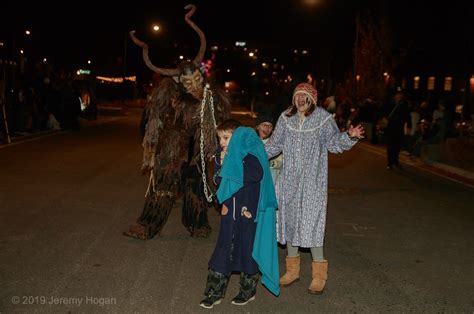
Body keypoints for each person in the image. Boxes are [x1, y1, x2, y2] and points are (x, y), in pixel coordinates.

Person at [123, 4, 231, 240]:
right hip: (172, 149)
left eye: (196, 78)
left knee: (195, 185)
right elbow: (153, 121)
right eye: (187, 80)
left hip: (196, 151)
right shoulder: (168, 95)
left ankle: (197, 223)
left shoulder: (211, 96)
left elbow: (223, 122)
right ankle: (147, 225)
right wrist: (152, 147)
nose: (193, 83)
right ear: (179, 81)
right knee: (163, 185)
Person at [264, 82, 365, 295]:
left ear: (311, 99)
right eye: (297, 96)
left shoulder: (323, 119)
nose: (300, 100)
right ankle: (292, 271)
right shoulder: (285, 118)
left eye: (304, 97)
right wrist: (253, 150)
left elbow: (334, 144)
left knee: (312, 225)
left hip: (313, 184)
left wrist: (350, 136)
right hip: (288, 181)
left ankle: (319, 275)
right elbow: (274, 145)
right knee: (290, 223)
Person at [200, 119, 279, 309]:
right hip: (230, 212)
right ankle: (214, 292)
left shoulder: (250, 155)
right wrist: (223, 202)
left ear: (237, 137)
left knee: (246, 250)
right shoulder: (222, 154)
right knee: (223, 250)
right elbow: (220, 181)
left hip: (247, 212)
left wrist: (233, 162)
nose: (222, 142)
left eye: (226, 138)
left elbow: (255, 176)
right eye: (220, 138)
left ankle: (247, 290)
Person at [380, 89, 411, 170]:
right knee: (390, 146)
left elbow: (408, 115)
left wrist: (409, 126)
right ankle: (390, 163)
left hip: (399, 127)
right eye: (397, 95)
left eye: (400, 95)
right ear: (394, 96)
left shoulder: (404, 104)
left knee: (397, 146)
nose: (399, 96)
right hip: (390, 127)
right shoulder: (389, 104)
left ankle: (396, 161)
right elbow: (383, 113)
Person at [255, 111, 282, 184]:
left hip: (271, 180)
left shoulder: (275, 144)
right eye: (264, 125)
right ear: (257, 127)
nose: (267, 128)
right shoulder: (252, 142)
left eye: (270, 126)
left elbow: (282, 161)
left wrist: (272, 163)